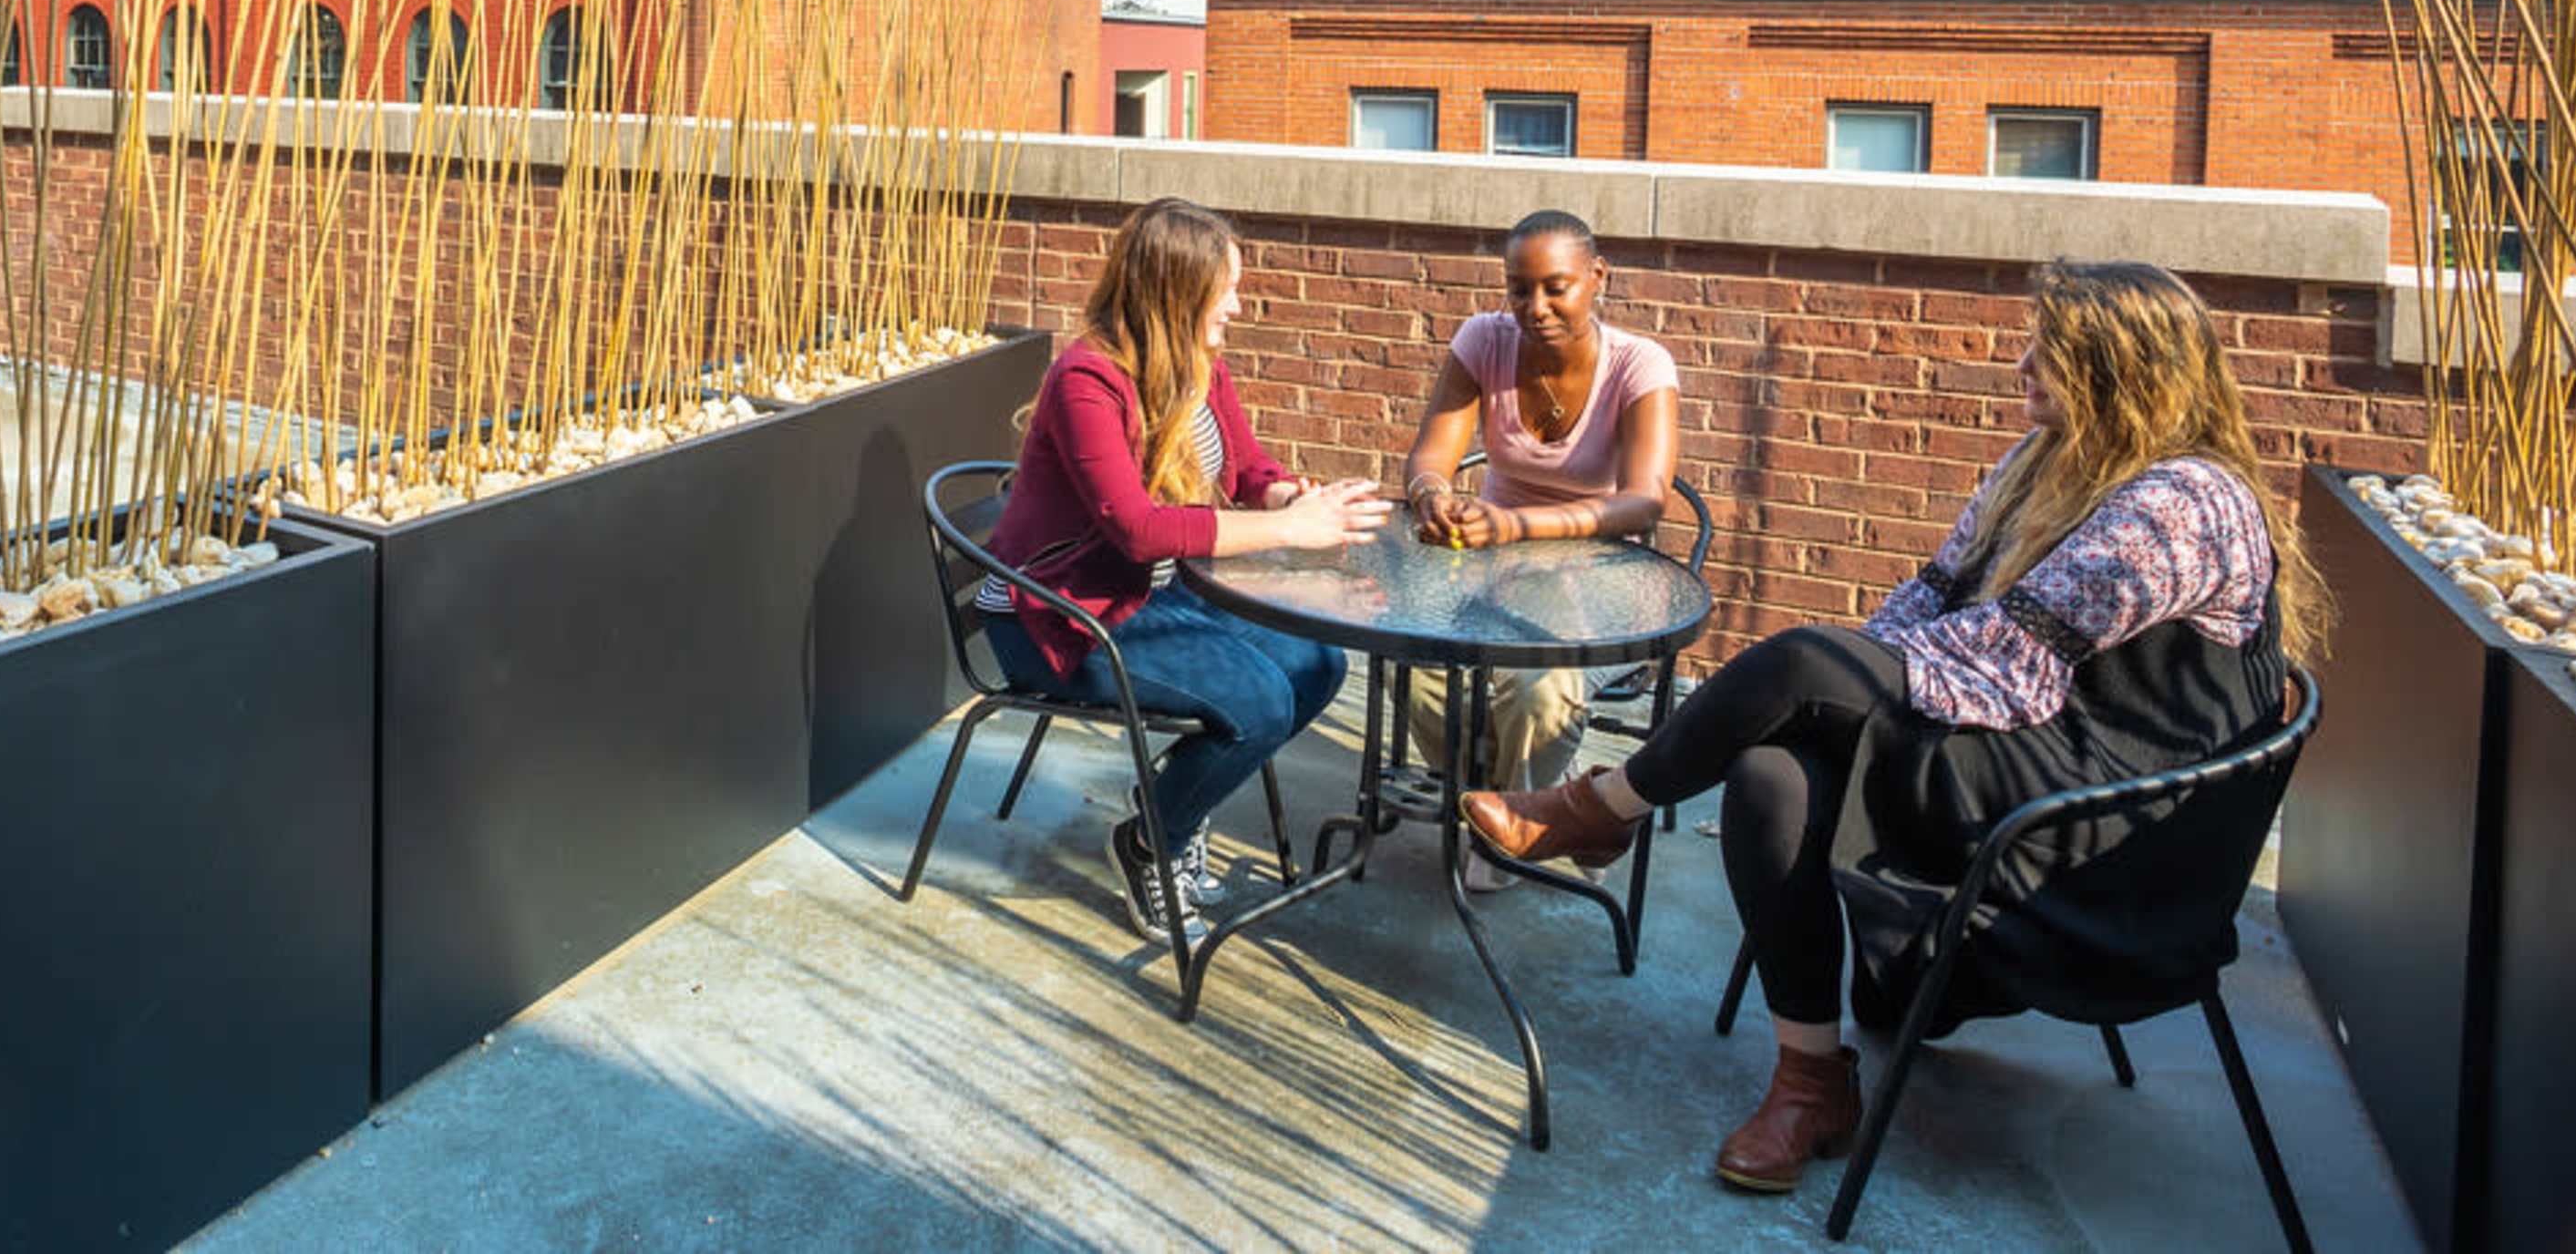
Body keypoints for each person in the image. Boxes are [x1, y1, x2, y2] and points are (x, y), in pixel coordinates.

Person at [1460, 260, 2325, 1197]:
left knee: (1799, 665)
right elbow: (1936, 597)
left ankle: (1603, 808)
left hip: (2097, 824)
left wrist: (1832, 682)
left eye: (2053, 350)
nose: (2022, 362)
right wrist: (1833, 693)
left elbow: (2005, 654)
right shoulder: (2048, 462)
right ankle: (1810, 1077)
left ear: (2124, 374)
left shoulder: (2183, 502)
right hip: (2025, 759)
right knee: (1770, 768)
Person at [984, 197, 1392, 939]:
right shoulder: (1088, 379)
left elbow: (1243, 471)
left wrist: (1287, 493)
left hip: (1151, 599)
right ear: (1176, 293)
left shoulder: (1200, 368)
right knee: (1262, 700)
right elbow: (1138, 530)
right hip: (1059, 616)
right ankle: (1151, 841)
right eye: (1225, 289)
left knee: (1319, 662)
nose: (1238, 304)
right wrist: (1289, 529)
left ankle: (1175, 800)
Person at [1395, 209, 1683, 887]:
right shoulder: (1483, 341)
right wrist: (1433, 496)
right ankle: (1488, 791)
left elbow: (1644, 500)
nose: (1536, 307)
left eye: (1557, 286)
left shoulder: (1641, 364)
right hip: (1493, 564)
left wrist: (1519, 525)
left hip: (1599, 570)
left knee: (1541, 686)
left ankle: (1527, 823)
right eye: (1519, 289)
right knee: (1420, 661)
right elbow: (1429, 458)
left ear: (1597, 277)